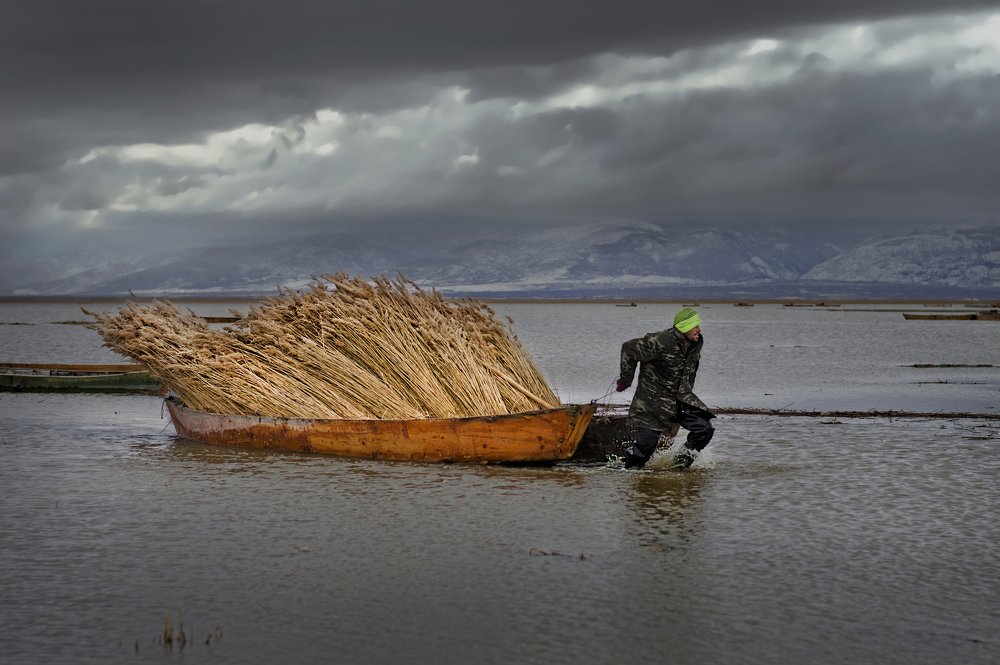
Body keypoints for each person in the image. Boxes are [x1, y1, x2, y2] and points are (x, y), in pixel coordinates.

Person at [615, 307, 715, 470]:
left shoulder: (695, 343)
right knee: (646, 447)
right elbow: (629, 349)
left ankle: (678, 466)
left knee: (704, 429)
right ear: (684, 327)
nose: (699, 329)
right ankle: (628, 472)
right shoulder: (660, 341)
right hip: (651, 403)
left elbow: (689, 373)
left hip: (681, 401)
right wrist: (626, 380)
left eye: (699, 325)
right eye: (695, 326)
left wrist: (686, 396)